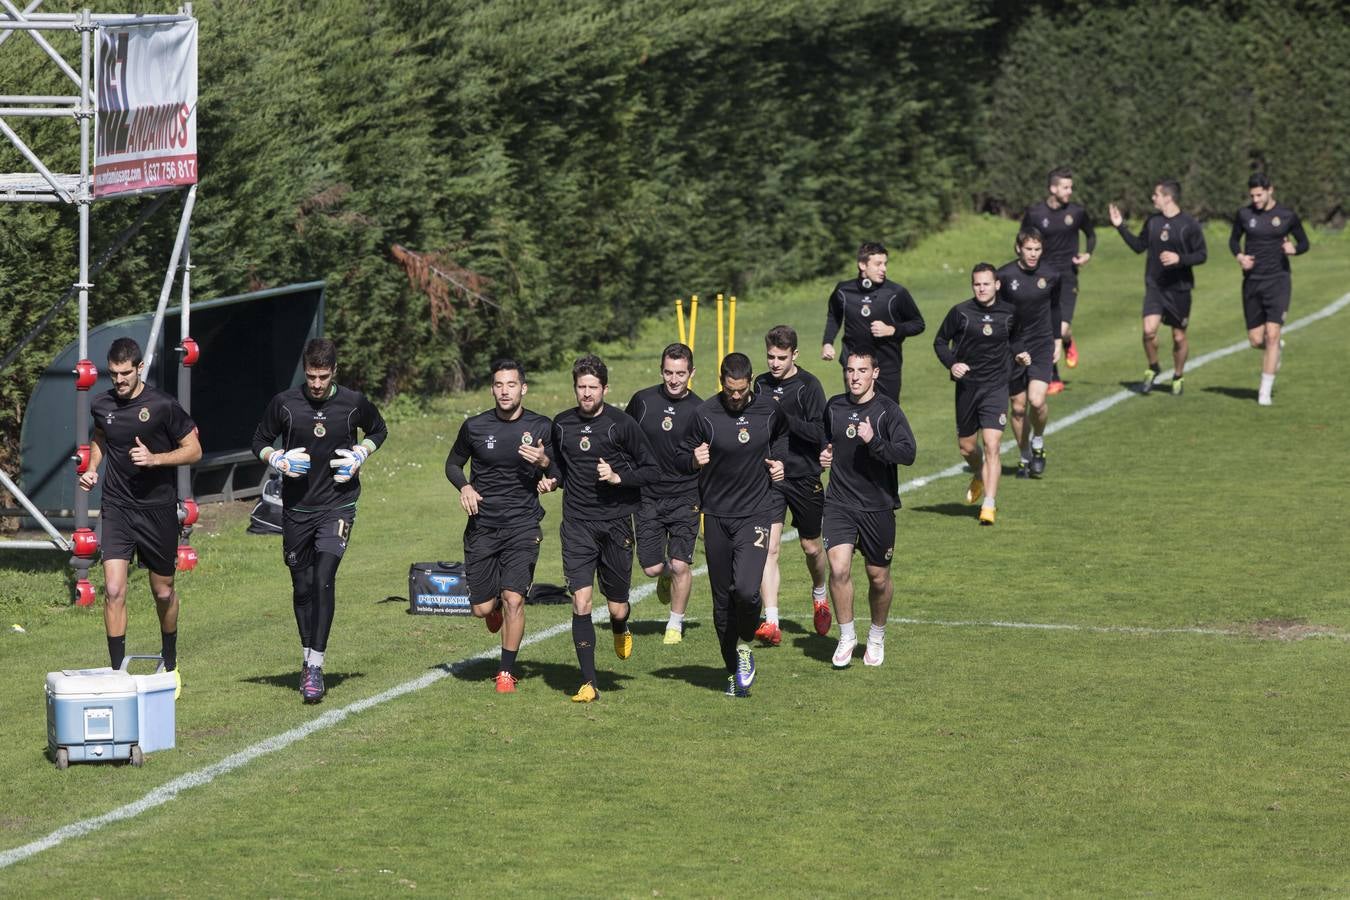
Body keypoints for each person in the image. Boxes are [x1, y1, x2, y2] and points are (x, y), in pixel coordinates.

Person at [251, 338, 388, 703]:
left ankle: (315, 666)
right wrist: (276, 459)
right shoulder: (285, 404)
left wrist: (361, 452)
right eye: (311, 376)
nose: (316, 384)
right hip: (297, 510)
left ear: (334, 373)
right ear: (304, 372)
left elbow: (380, 431)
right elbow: (259, 440)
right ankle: (306, 654)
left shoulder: (353, 403)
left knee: (325, 578)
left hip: (338, 505)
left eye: (323, 377)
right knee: (303, 587)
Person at [80, 337, 201, 693]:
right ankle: (118, 676)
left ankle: (171, 663)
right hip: (116, 507)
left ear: (139, 369)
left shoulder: (163, 405)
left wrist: (156, 460)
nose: (118, 380)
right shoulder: (102, 404)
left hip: (157, 510)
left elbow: (194, 450)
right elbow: (102, 438)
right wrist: (92, 468)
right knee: (114, 590)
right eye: (114, 373)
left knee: (163, 592)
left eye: (125, 373)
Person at [548, 354, 659, 703]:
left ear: (605, 389)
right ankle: (589, 683)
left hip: (615, 524)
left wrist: (617, 477)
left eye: (592, 387)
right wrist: (550, 477)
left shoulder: (621, 424)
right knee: (581, 600)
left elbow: (651, 470)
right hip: (577, 524)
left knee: (616, 606)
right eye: (581, 387)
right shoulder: (561, 424)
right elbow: (561, 470)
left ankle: (620, 626)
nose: (586, 393)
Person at [444, 359, 558, 693]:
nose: (504, 391)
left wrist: (545, 465)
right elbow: (452, 463)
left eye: (511, 385)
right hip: (483, 526)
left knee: (514, 598)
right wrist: (464, 486)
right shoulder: (475, 427)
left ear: (523, 388)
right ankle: (490, 608)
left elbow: (559, 472)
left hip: (523, 525)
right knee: (481, 609)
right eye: (498, 385)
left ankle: (506, 671)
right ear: (492, 389)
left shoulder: (541, 427)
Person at [680, 352, 788, 697]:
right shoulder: (704, 415)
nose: (736, 397)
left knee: (746, 590)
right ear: (721, 382)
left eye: (741, 390)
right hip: (715, 516)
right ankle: (734, 669)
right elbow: (678, 457)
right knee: (721, 600)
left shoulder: (768, 409)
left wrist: (780, 462)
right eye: (730, 390)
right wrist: (693, 460)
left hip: (756, 513)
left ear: (750, 382)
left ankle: (745, 645)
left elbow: (784, 437)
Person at [820, 351, 916, 668]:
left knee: (877, 578)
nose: (855, 376)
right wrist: (822, 456)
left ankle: (876, 635)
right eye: (850, 370)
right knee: (838, 569)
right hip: (840, 503)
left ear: (875, 373)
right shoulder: (834, 407)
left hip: (877, 506)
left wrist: (874, 441)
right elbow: (824, 442)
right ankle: (847, 636)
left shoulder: (887, 411)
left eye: (863, 370)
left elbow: (907, 452)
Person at [933, 264, 1030, 525]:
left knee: (992, 445)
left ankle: (989, 504)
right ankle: (979, 472)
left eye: (986, 283)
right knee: (967, 447)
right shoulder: (961, 313)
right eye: (977, 284)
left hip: (997, 387)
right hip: (967, 388)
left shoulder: (1009, 313)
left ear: (997, 285)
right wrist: (953, 363)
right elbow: (940, 341)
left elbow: (1016, 339)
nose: (982, 288)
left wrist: (1020, 354)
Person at [752, 325, 829, 644]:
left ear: (795, 354)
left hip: (803, 475)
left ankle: (820, 593)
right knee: (768, 549)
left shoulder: (809, 386)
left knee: (811, 547)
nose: (774, 363)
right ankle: (771, 622)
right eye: (770, 356)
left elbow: (820, 433)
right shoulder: (760, 384)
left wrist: (784, 417)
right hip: (769, 477)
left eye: (781, 357)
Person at [624, 343, 703, 645]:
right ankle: (665, 574)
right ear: (661, 371)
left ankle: (675, 623)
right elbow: (624, 438)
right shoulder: (642, 401)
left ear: (691, 373)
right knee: (652, 567)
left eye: (680, 374)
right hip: (647, 496)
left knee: (682, 563)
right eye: (669, 373)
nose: (674, 379)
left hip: (685, 495)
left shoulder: (701, 409)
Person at [1109, 180, 1208, 396]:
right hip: (1155, 287)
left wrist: (1179, 258)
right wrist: (1120, 226)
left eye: (1156, 194)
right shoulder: (1153, 221)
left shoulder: (1189, 224)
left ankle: (1178, 376)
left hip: (1179, 289)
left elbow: (1202, 255)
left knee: (1179, 337)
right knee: (1148, 331)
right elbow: (1138, 246)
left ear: (1168, 197)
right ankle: (1153, 367)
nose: (1153, 198)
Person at [1228, 172, 1310, 406]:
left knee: (1272, 334)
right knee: (1256, 340)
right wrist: (1240, 257)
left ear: (1270, 190)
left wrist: (1295, 250)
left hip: (1278, 281)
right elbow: (1233, 241)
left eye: (1259, 194)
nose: (1255, 199)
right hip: (1252, 282)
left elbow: (1304, 243)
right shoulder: (1244, 214)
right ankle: (1275, 350)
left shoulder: (1286, 216)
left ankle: (1264, 392)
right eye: (1252, 195)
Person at [1021, 167, 1095, 391]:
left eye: (1071, 187)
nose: (1070, 191)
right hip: (1041, 278)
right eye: (1065, 187)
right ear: (1052, 188)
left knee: (1061, 330)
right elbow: (1022, 240)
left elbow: (1090, 234)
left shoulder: (1077, 212)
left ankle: (1068, 342)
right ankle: (1053, 377)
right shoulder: (1035, 214)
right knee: (1045, 327)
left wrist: (1087, 253)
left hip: (1067, 276)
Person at [821, 241, 925, 401]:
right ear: (862, 265)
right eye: (878, 264)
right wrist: (827, 342)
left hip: (887, 367)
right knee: (855, 414)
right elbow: (834, 316)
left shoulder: (896, 293)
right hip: (854, 367)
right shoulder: (843, 291)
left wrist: (892, 330)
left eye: (885, 264)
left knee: (886, 419)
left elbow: (918, 324)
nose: (884, 268)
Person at [997, 227, 1061, 478]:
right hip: (1013, 346)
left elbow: (1055, 308)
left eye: (1037, 249)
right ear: (1018, 249)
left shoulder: (1052, 274)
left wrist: (1057, 339)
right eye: (1028, 249)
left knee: (1037, 400)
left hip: (1041, 343)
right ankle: (1024, 455)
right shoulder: (1004, 275)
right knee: (1019, 407)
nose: (1033, 254)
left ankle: (1038, 442)